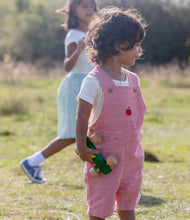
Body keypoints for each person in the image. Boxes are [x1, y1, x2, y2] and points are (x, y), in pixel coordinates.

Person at [75, 7, 147, 220]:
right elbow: (81, 116)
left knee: (128, 204)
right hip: (105, 159)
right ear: (118, 45)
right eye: (135, 45)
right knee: (100, 208)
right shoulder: (94, 80)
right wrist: (81, 145)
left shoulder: (134, 81)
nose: (139, 50)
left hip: (133, 158)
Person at [19, 0, 97, 184]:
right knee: (73, 134)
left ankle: (103, 169)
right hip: (76, 86)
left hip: (92, 84)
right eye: (84, 6)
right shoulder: (75, 35)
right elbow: (67, 66)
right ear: (74, 11)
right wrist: (79, 49)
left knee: (91, 130)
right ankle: (33, 162)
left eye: (92, 6)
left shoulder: (93, 34)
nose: (90, 9)